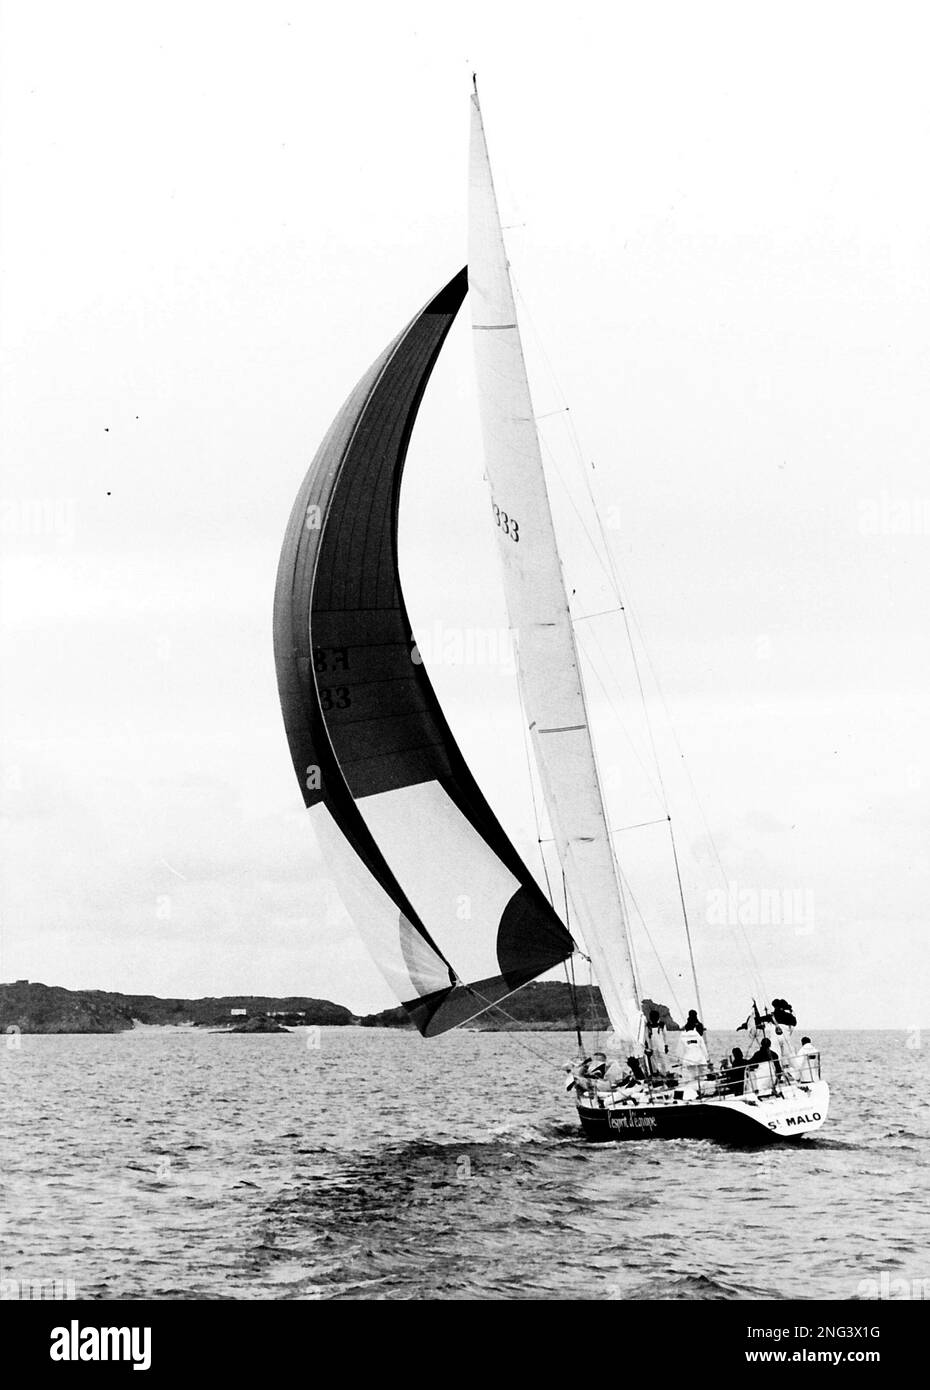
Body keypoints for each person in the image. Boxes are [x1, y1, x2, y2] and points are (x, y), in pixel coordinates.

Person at [644, 1009, 669, 1076]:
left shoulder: (661, 1025)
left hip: (661, 1045)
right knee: (654, 1059)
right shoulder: (648, 1026)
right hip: (653, 1046)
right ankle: (656, 1073)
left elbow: (665, 1035)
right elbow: (647, 1037)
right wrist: (649, 1047)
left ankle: (666, 1072)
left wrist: (666, 1045)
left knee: (663, 1059)